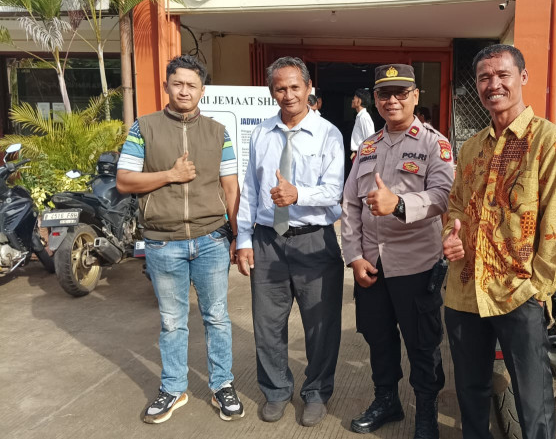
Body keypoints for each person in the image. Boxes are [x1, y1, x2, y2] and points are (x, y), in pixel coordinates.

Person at [442, 44, 556, 439]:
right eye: (484, 77)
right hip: (465, 290)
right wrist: (450, 236)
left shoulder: (549, 142)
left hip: (518, 292)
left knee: (533, 400)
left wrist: (539, 289)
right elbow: (456, 206)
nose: (494, 84)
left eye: (503, 75)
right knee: (470, 392)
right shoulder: (472, 147)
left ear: (523, 77)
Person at [116, 54, 244, 424]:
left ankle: (222, 385)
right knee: (172, 321)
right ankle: (173, 388)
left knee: (217, 317)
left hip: (211, 239)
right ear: (166, 86)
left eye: (191, 85)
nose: (184, 91)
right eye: (178, 84)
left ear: (202, 91)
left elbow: (231, 187)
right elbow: (124, 180)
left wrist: (238, 236)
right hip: (162, 241)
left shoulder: (218, 132)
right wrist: (170, 175)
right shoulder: (144, 128)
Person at [341, 64, 454, 439]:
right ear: (375, 99)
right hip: (371, 265)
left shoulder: (434, 144)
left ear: (415, 96)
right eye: (384, 94)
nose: (392, 100)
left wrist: (400, 204)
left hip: (415, 265)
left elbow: (443, 196)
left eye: (401, 93)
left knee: (423, 344)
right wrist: (354, 256)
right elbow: (350, 204)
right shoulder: (368, 147)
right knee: (378, 338)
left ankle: (426, 412)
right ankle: (386, 400)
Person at [235, 56, 345, 427]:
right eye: (280, 88)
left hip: (314, 242)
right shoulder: (261, 134)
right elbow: (250, 189)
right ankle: (276, 391)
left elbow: (334, 191)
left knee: (320, 326)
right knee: (267, 325)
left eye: (295, 86)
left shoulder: (329, 134)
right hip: (267, 241)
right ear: (272, 92)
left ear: (309, 87)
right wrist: (244, 238)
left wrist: (298, 194)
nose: (289, 94)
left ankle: (316, 393)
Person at [349, 88, 375, 159]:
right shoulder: (360, 116)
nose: (352, 100)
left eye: (354, 98)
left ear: (359, 101)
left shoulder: (364, 117)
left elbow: (370, 139)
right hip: (358, 155)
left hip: (361, 156)